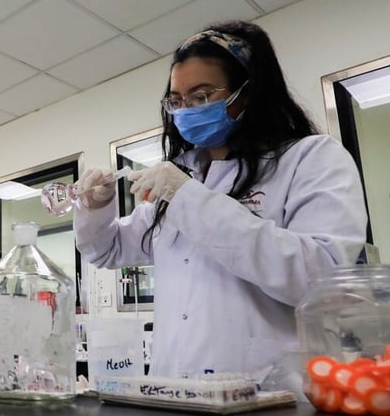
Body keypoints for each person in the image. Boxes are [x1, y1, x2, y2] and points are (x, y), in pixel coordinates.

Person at [74, 20, 367, 380]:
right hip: (175, 391)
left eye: (202, 96)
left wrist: (187, 198)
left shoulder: (310, 159)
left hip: (267, 391)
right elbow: (108, 251)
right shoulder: (185, 175)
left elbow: (321, 277)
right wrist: (96, 207)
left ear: (247, 93)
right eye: (177, 100)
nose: (186, 110)